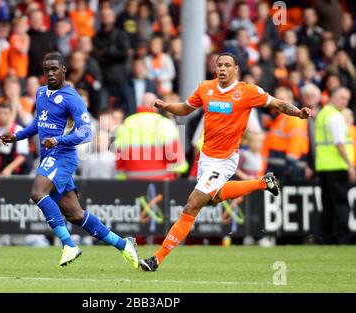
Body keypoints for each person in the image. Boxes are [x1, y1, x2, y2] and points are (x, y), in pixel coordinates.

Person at [139, 52, 311, 271]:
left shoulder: (248, 92)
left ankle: (157, 258)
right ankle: (263, 183)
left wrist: (298, 113)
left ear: (235, 69)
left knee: (192, 204)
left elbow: (278, 103)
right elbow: (186, 108)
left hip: (225, 159)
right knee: (212, 199)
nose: (222, 69)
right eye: (219, 65)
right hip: (206, 157)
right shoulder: (205, 88)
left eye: (227, 65)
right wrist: (166, 106)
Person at [0, 52, 139, 268]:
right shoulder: (40, 93)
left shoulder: (71, 97)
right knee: (75, 214)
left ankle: (68, 244)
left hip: (63, 156)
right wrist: (17, 135)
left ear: (64, 69)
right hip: (49, 156)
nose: (50, 73)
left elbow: (86, 132)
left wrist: (58, 140)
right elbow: (39, 122)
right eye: (46, 70)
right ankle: (124, 244)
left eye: (54, 69)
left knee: (37, 192)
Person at [315, 87, 354, 245]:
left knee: (328, 205)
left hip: (324, 166)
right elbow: (339, 143)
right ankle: (342, 237)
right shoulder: (336, 116)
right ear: (333, 97)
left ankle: (327, 237)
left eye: (347, 99)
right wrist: (350, 165)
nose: (345, 102)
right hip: (337, 165)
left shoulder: (323, 114)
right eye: (342, 98)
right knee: (340, 203)